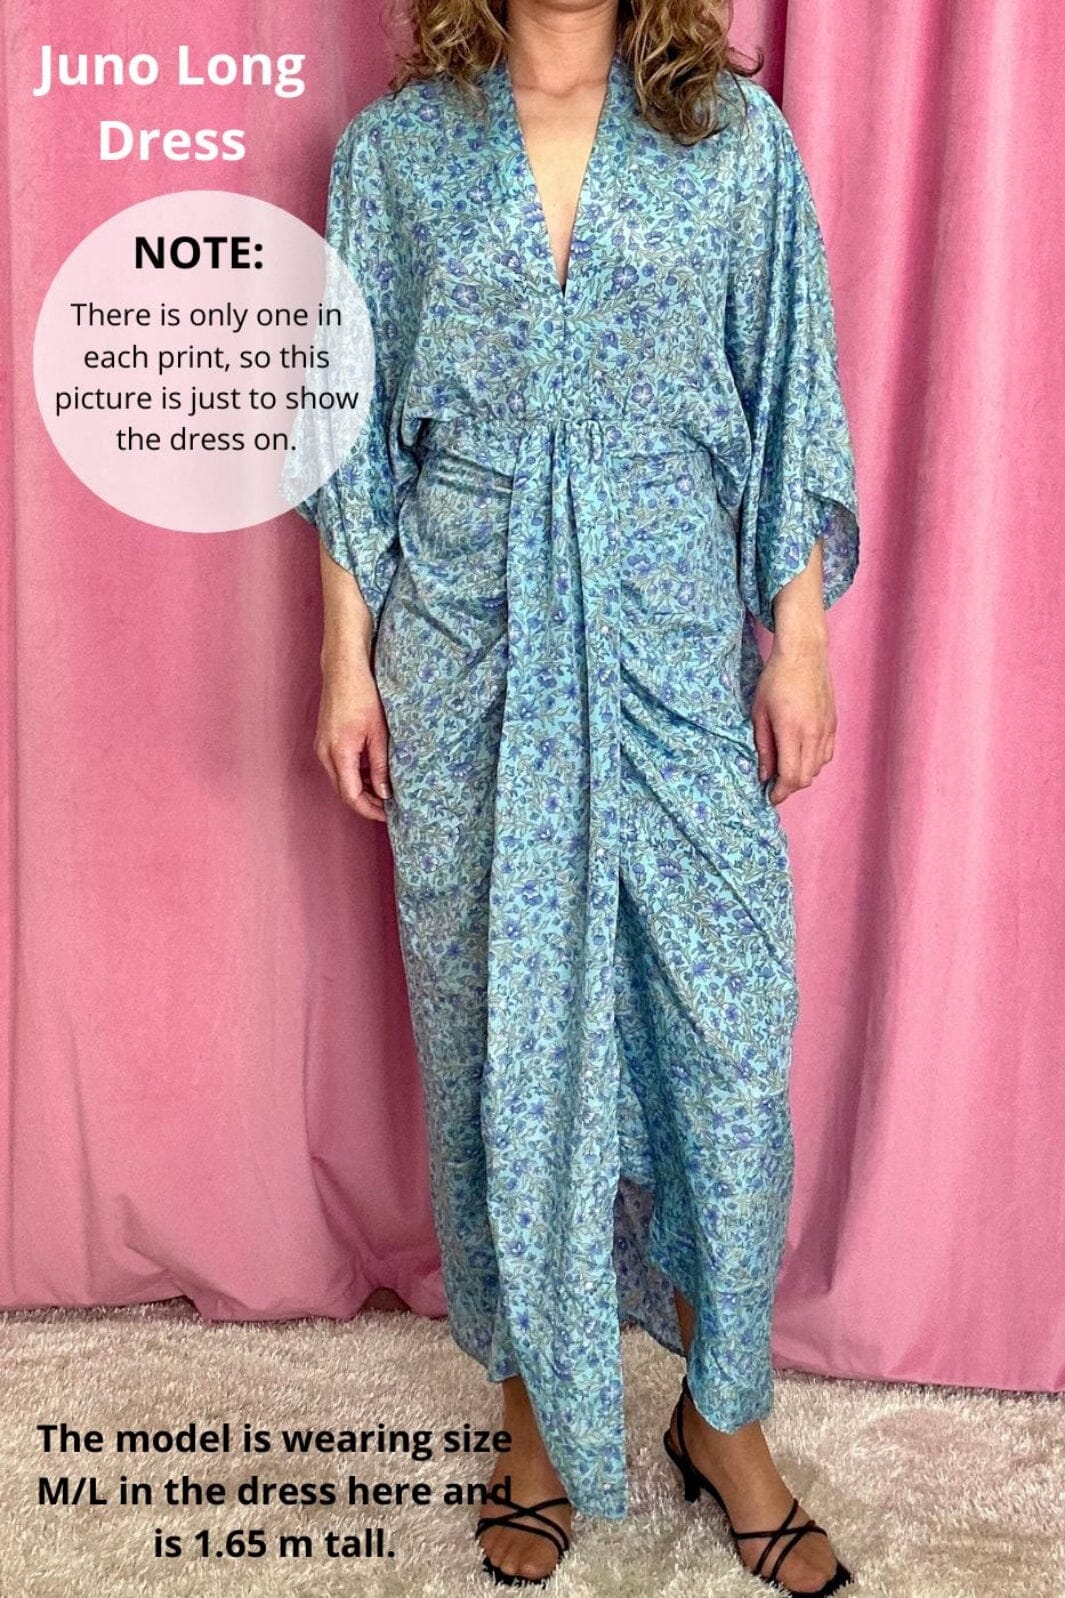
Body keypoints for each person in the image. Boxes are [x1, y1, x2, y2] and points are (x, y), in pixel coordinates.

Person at [296, 0, 860, 1590]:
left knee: (725, 1038)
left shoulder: (728, 143)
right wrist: (345, 662)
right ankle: (533, 1405)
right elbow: (347, 428)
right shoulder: (393, 156)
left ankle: (723, 1411)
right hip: (466, 636)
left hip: (673, 628)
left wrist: (798, 642)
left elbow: (787, 388)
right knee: (501, 1033)